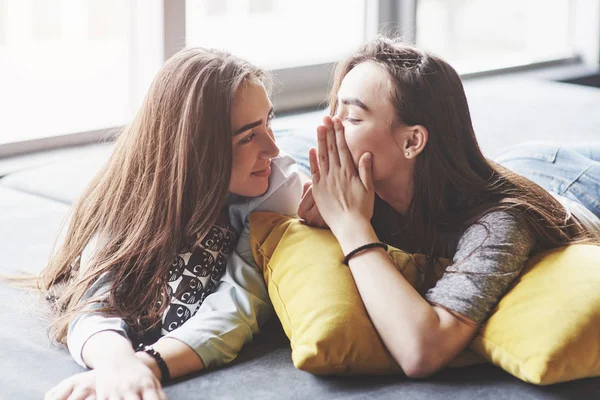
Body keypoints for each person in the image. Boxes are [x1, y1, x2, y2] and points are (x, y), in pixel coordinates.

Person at [297, 36, 600, 379]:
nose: (328, 128)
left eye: (351, 117)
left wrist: (350, 226)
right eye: (334, 110)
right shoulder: (358, 186)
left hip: (577, 186)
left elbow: (422, 351)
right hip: (514, 162)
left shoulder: (499, 224)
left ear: (412, 141)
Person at [41, 47, 303, 400]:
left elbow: (236, 304)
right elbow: (94, 304)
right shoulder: (128, 198)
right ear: (196, 148)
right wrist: (116, 364)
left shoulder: (278, 184)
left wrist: (145, 366)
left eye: (269, 121)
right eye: (247, 136)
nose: (272, 147)